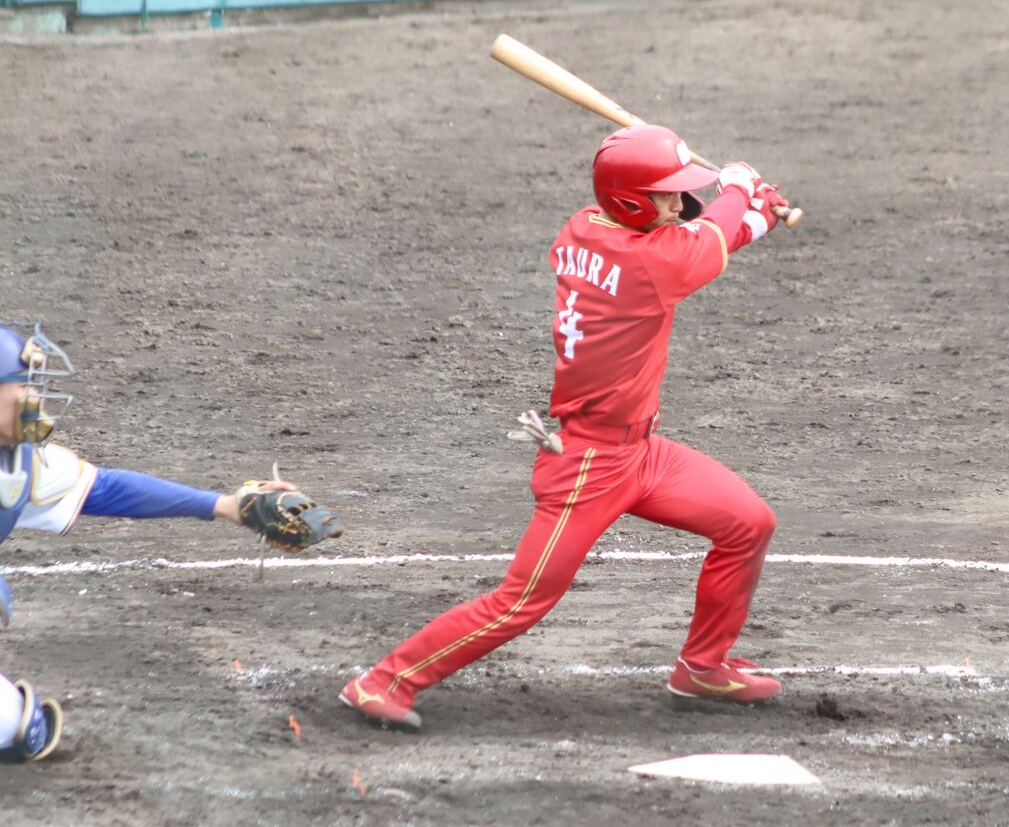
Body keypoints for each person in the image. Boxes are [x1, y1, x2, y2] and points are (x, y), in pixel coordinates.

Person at [341, 125, 793, 729]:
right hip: (588, 465)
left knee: (748, 523)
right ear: (630, 201)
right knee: (522, 600)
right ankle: (384, 681)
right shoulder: (649, 261)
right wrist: (739, 188)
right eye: (666, 192)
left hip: (642, 454)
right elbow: (705, 237)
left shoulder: (585, 228)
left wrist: (753, 215)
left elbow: (701, 238)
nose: (678, 201)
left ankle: (702, 667)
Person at [0, 320, 297, 762]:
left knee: (17, 726)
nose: (35, 398)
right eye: (22, 385)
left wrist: (224, 506)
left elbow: (106, 489)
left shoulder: (17, 460)